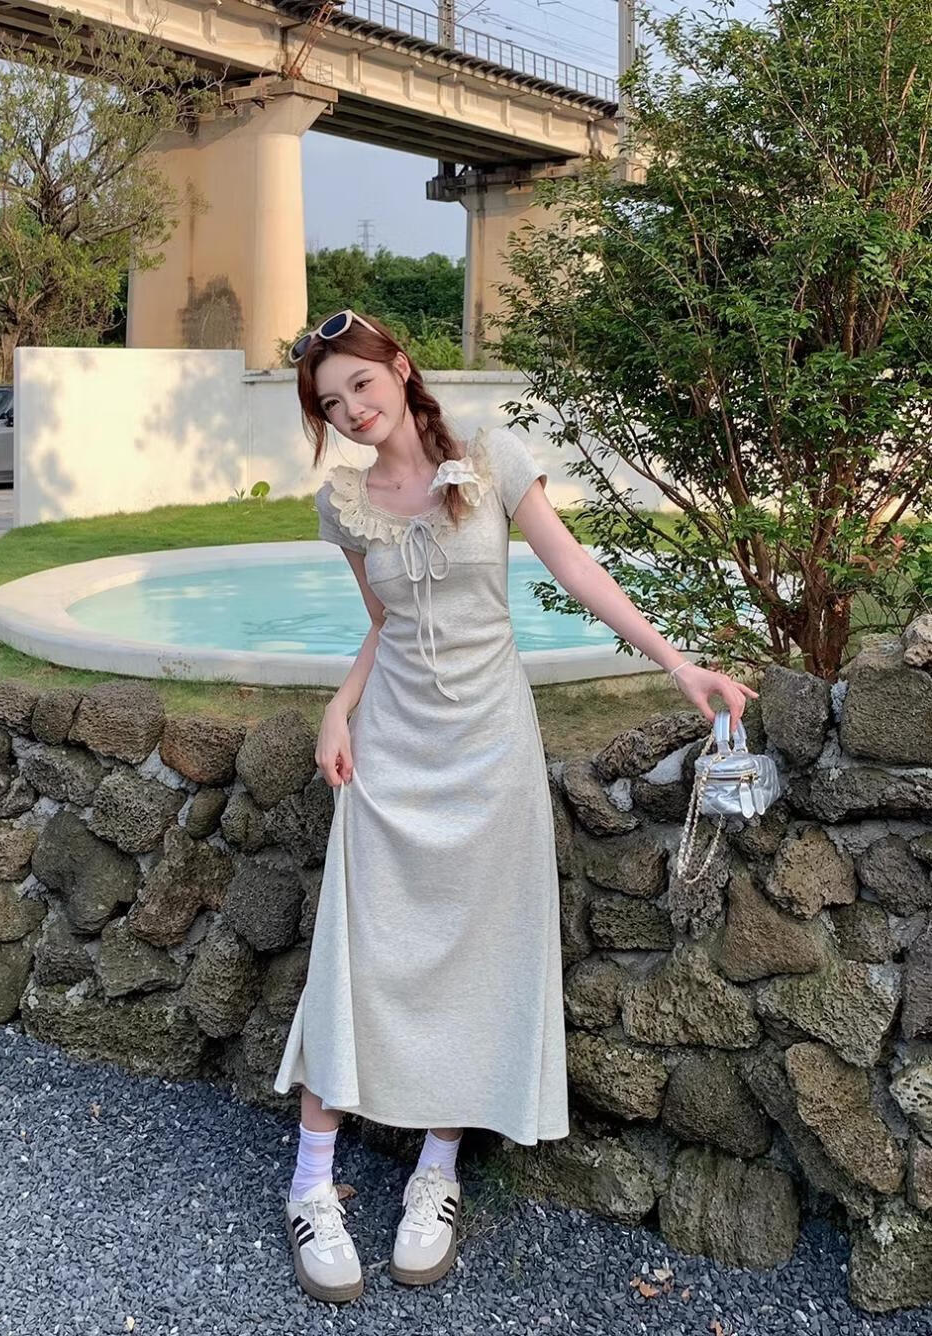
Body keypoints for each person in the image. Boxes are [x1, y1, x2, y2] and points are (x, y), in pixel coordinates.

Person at [272, 309, 757, 1304]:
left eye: (361, 383)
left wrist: (678, 666)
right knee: (356, 950)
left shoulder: (492, 456)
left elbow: (576, 567)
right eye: (330, 401)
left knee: (474, 952)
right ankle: (311, 1184)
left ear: (400, 368)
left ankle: (437, 1171)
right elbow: (382, 623)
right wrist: (337, 705)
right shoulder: (344, 504)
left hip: (490, 747)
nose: (353, 409)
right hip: (392, 750)